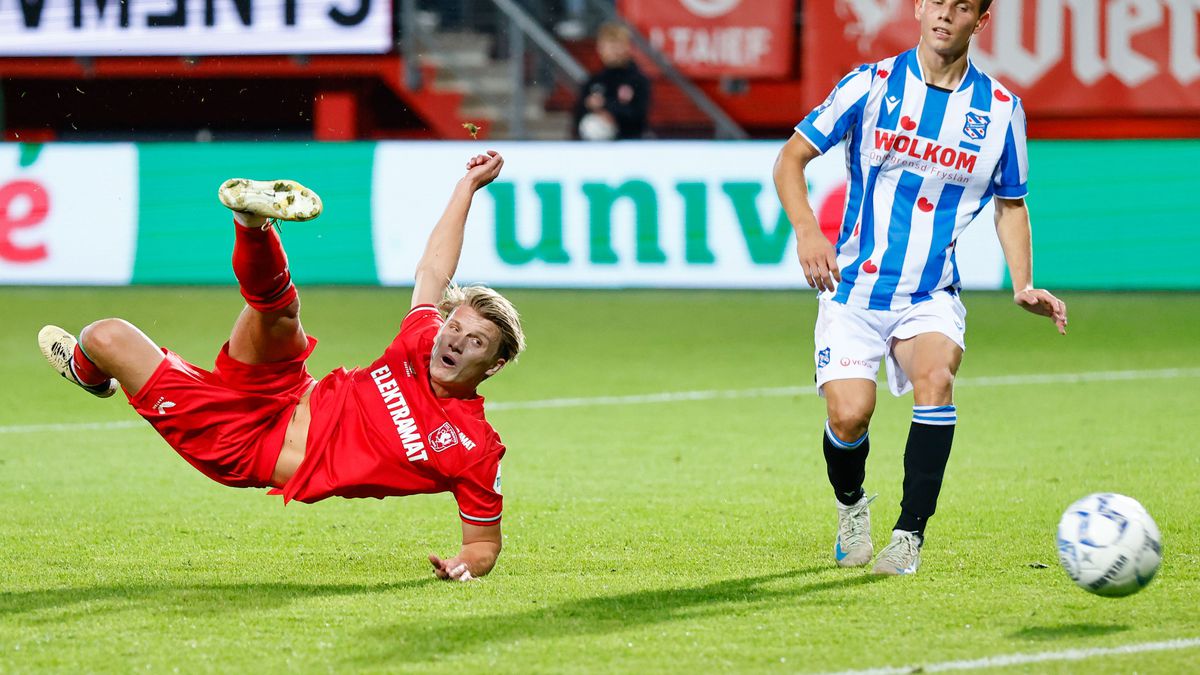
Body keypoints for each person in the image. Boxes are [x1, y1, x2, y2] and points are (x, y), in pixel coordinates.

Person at [37, 151, 523, 583]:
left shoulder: (474, 448)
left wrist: (464, 566)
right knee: (280, 310)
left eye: (474, 341)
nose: (453, 341)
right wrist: (467, 186)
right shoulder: (419, 341)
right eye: (453, 327)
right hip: (284, 386)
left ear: (495, 366)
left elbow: (483, 545)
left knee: (104, 335)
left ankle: (87, 367)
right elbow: (434, 271)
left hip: (243, 442)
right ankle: (252, 222)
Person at [772, 0, 1067, 576]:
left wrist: (1023, 282)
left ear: (979, 21)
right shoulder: (870, 85)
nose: (944, 15)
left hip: (930, 293)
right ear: (918, 8)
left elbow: (1011, 203)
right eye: (936, 2)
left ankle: (908, 536)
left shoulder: (1003, 110)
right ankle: (852, 507)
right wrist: (808, 231)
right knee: (850, 416)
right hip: (852, 290)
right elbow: (791, 157)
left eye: (961, 8)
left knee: (937, 379)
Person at [572, 22, 651, 141]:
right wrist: (591, 109)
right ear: (599, 49)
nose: (613, 51)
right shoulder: (594, 81)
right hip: (594, 150)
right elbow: (577, 118)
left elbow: (639, 116)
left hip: (629, 146)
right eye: (608, 46)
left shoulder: (637, 80)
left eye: (616, 45)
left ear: (627, 47)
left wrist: (608, 108)